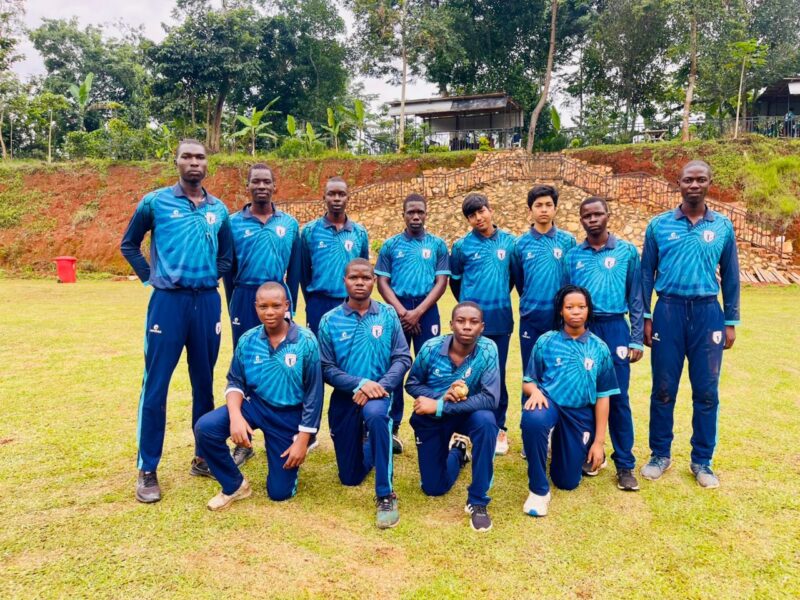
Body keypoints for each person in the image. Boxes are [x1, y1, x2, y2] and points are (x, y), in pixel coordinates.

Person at [120, 139, 232, 503]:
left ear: (207, 164)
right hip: (167, 304)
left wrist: (209, 278)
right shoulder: (155, 202)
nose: (194, 162)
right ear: (177, 161)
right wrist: (151, 277)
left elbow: (227, 257)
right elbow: (129, 244)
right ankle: (147, 468)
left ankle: (203, 457)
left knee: (204, 383)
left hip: (207, 303)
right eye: (187, 156)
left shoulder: (218, 209)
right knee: (156, 386)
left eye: (200, 157)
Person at [640, 160, 740, 489]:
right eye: (688, 180)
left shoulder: (722, 226)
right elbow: (646, 273)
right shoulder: (659, 225)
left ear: (710, 183)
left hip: (707, 313)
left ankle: (702, 460)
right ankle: (660, 454)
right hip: (668, 311)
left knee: (707, 391)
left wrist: (730, 320)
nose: (694, 185)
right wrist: (646, 317)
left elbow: (731, 276)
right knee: (663, 389)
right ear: (678, 183)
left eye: (700, 180)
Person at [194, 282, 323, 510]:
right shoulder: (248, 340)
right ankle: (234, 485)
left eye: (276, 306)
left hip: (288, 416)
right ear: (255, 307)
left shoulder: (306, 341)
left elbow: (314, 394)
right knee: (205, 428)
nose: (269, 312)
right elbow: (235, 381)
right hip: (255, 405)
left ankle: (292, 445)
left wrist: (303, 439)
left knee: (279, 493)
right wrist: (236, 416)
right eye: (263, 306)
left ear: (287, 306)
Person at [317, 259, 411, 529]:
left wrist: (378, 387)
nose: (360, 282)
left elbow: (402, 358)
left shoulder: (388, 315)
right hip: (345, 397)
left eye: (366, 278)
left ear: (374, 281)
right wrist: (359, 384)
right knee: (350, 477)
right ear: (344, 281)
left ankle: (385, 495)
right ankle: (373, 443)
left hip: (379, 396)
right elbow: (326, 367)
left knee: (377, 417)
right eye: (354, 278)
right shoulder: (329, 320)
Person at [563, 196, 644, 492]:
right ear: (581, 220)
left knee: (618, 396)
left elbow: (636, 296)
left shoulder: (626, 252)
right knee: (585, 394)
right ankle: (591, 454)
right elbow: (565, 297)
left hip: (615, 328)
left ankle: (625, 464)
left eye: (597, 214)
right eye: (587, 216)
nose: (592, 219)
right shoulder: (573, 255)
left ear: (608, 214)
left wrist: (636, 337)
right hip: (583, 330)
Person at [520, 285, 618, 517]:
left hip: (579, 413)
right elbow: (528, 381)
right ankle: (538, 490)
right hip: (549, 403)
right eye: (569, 307)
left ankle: (569, 444)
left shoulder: (599, 348)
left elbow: (603, 397)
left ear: (588, 310)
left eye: (581, 307)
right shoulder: (546, 341)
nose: (576, 311)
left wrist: (599, 443)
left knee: (567, 481)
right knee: (533, 419)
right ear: (560, 311)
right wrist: (534, 391)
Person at [406, 301, 500, 532]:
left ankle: (478, 500)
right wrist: (440, 397)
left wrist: (441, 406)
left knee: (487, 421)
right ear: (451, 324)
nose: (467, 326)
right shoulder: (431, 347)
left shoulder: (488, 349)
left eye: (473, 322)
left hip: (468, 414)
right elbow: (412, 384)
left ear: (482, 327)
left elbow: (490, 398)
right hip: (433, 418)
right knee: (433, 488)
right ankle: (458, 451)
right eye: (461, 321)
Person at [376, 193, 450, 454]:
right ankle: (393, 426)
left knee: (432, 366)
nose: (416, 216)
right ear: (403, 215)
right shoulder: (390, 245)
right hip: (398, 309)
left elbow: (441, 282)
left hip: (426, 310)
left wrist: (418, 312)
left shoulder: (437, 245)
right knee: (396, 366)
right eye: (411, 212)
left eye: (420, 212)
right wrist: (403, 312)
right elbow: (382, 282)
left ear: (426, 214)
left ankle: (430, 421)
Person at [449, 193, 516, 456]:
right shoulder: (462, 246)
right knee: (468, 374)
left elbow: (513, 278)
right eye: (472, 215)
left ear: (490, 210)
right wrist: (469, 312)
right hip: (470, 325)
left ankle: (499, 427)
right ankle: (464, 428)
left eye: (481, 211)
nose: (478, 218)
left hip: (499, 320)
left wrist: (496, 298)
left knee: (496, 375)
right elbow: (455, 282)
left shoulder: (509, 242)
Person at [224, 163, 300, 351]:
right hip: (245, 296)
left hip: (277, 295)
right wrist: (234, 303)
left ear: (274, 186)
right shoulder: (232, 223)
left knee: (280, 351)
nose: (261, 186)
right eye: (256, 181)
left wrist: (290, 304)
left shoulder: (289, 223)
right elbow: (228, 271)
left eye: (266, 182)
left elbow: (295, 270)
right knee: (245, 350)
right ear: (247, 186)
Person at [513, 184, 577, 375]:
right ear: (530, 210)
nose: (544, 209)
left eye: (548, 205)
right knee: (531, 371)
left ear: (555, 208)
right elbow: (519, 281)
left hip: (560, 318)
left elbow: (571, 279)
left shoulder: (568, 240)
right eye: (538, 205)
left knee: (560, 371)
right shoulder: (520, 244)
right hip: (530, 317)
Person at [300, 177, 369, 334]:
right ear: (324, 197)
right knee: (319, 348)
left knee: (349, 347)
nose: (337, 199)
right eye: (331, 194)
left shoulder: (359, 233)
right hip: (318, 303)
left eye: (341, 194)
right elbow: (304, 274)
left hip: (350, 303)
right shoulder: (310, 231)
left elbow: (364, 270)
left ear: (348, 198)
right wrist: (312, 300)